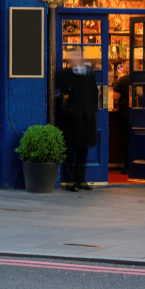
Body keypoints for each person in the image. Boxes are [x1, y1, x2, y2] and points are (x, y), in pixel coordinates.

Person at [56, 49, 100, 191]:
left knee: (83, 151)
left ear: (80, 57)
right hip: (71, 121)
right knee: (71, 153)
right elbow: (58, 95)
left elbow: (95, 92)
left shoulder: (89, 73)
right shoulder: (65, 75)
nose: (74, 59)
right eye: (71, 57)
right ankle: (70, 182)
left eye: (76, 56)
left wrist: (93, 108)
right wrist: (66, 111)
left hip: (87, 119)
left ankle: (81, 180)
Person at [112, 70, 131, 173]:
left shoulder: (122, 80)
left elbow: (115, 96)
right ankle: (139, 165)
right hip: (138, 113)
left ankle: (127, 167)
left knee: (126, 139)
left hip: (125, 112)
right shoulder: (140, 78)